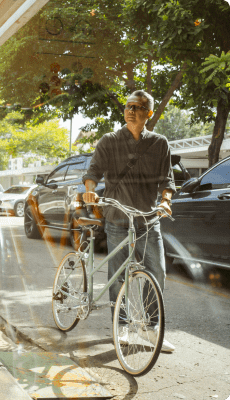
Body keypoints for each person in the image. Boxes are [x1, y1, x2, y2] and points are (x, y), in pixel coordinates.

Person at [82, 90, 176, 352]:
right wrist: (90, 188)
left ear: (149, 113)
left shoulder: (159, 143)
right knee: (118, 275)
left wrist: (166, 200)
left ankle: (150, 328)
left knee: (155, 273)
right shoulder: (109, 141)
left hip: (147, 220)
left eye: (138, 107)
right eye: (128, 106)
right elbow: (94, 172)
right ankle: (121, 325)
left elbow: (167, 180)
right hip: (118, 218)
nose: (131, 111)